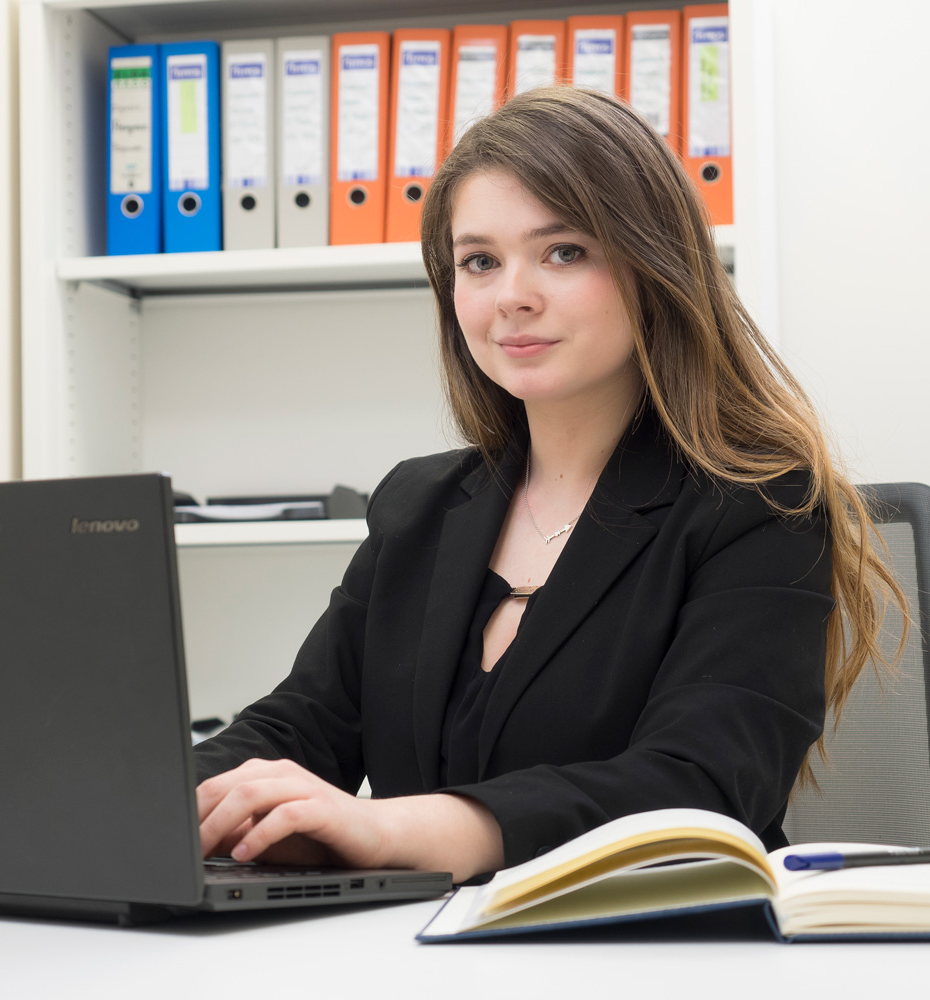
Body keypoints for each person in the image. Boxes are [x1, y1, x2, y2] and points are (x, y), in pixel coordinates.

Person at [193, 86, 903, 885]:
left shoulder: (759, 507)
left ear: (653, 265)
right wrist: (161, 798)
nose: (511, 297)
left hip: (660, 947)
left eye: (564, 251)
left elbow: (698, 791)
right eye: (479, 261)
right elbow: (302, 724)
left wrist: (389, 827)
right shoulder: (420, 507)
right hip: (415, 953)